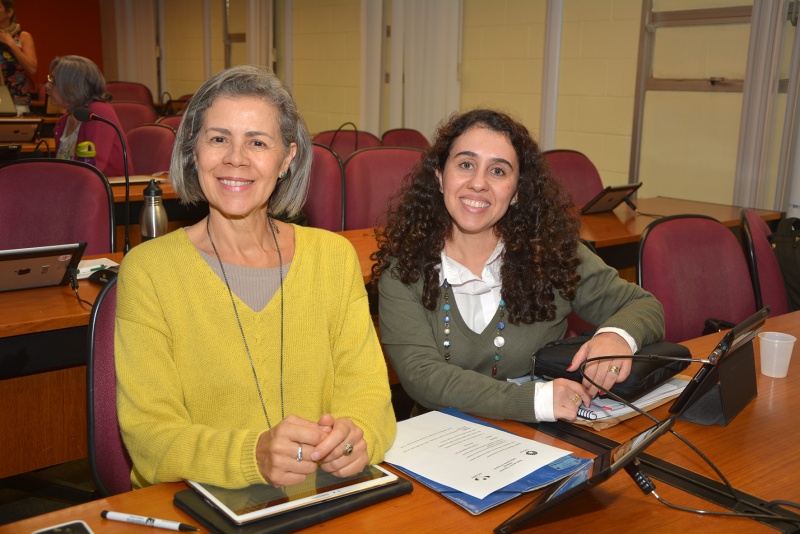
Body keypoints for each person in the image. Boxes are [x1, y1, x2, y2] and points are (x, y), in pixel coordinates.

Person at [115, 65, 396, 490]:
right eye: (218, 138)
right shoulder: (149, 271)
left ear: (287, 159)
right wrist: (253, 456)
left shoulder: (333, 258)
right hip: (199, 502)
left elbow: (370, 397)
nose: (236, 158)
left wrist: (355, 438)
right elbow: (151, 439)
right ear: (194, 150)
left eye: (258, 142)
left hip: (322, 496)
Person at [373, 109, 664, 423]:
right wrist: (536, 401)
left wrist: (616, 336)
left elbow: (643, 305)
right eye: (466, 164)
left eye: (498, 171)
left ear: (516, 192)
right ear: (440, 177)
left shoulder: (552, 254)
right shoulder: (404, 271)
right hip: (441, 438)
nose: (478, 183)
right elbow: (422, 378)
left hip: (539, 437)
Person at [48, 55, 133, 177]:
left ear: (72, 85)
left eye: (53, 81)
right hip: (75, 188)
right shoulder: (63, 121)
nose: (47, 86)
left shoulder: (98, 112)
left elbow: (94, 169)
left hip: (109, 190)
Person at [0, 0, 36, 114]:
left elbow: (32, 69)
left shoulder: (23, 36)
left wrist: (11, 44)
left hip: (17, 101)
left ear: (9, 12)